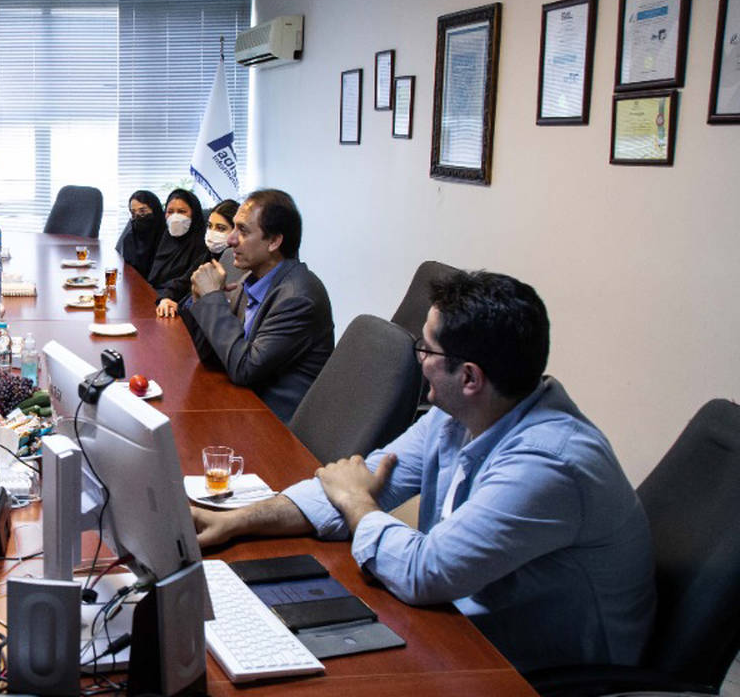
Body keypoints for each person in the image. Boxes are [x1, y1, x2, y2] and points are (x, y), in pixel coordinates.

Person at [191, 270, 655, 673]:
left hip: (541, 669)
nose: (419, 360)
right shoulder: (460, 413)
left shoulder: (548, 464)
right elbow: (358, 481)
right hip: (460, 623)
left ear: (469, 377)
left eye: (425, 349)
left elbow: (421, 569)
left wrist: (357, 502)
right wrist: (236, 521)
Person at [178, 189, 333, 423]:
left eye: (243, 230)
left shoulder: (298, 298)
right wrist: (201, 297)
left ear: (274, 241)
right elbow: (213, 356)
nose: (231, 240)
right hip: (243, 405)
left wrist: (213, 299)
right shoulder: (250, 280)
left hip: (274, 425)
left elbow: (245, 369)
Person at [156, 198, 239, 318]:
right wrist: (165, 299)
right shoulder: (207, 256)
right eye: (209, 226)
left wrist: (179, 310)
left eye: (221, 228)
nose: (212, 232)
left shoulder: (235, 266)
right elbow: (181, 283)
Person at [147, 189, 212, 316]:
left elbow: (186, 281)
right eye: (170, 212)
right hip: (155, 300)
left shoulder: (203, 244)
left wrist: (166, 297)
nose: (175, 217)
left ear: (194, 214)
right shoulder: (165, 238)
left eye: (182, 211)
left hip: (177, 307)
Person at [114, 190, 164, 276]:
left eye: (143, 211)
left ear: (155, 209)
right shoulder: (131, 234)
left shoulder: (167, 235)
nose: (138, 216)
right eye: (133, 213)